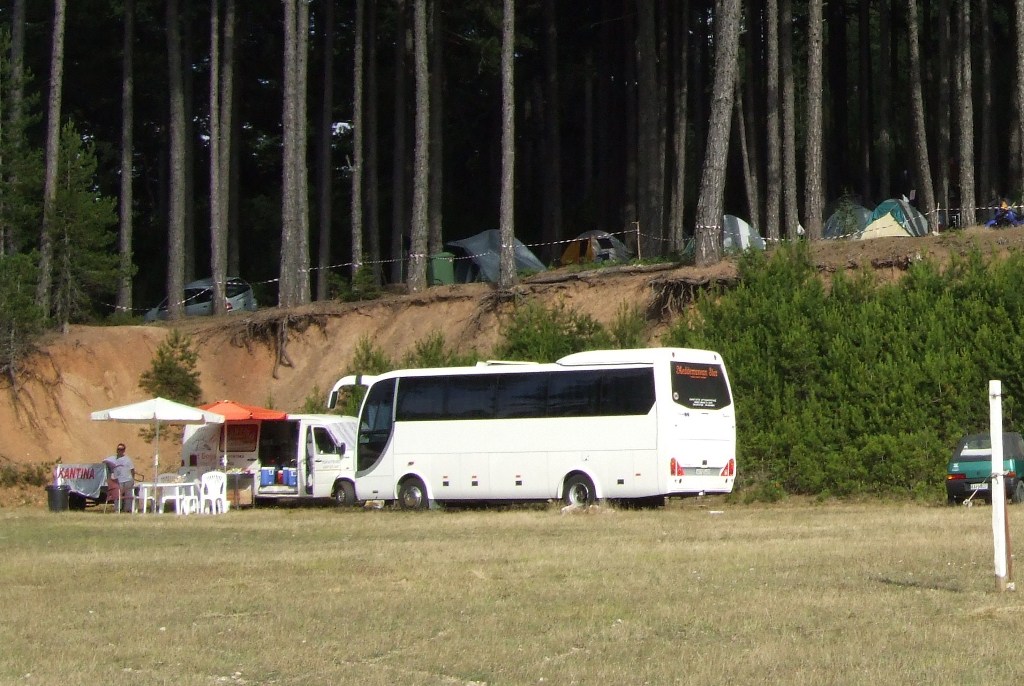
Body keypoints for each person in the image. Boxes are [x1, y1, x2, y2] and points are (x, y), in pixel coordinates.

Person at [105, 443, 136, 512]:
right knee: (117, 495)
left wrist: (133, 479)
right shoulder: (113, 459)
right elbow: (105, 461)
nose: (120, 450)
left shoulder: (127, 459)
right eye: (119, 449)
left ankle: (127, 510)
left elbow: (132, 470)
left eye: (122, 449)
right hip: (118, 480)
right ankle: (117, 509)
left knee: (128, 495)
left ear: (124, 450)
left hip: (128, 480)